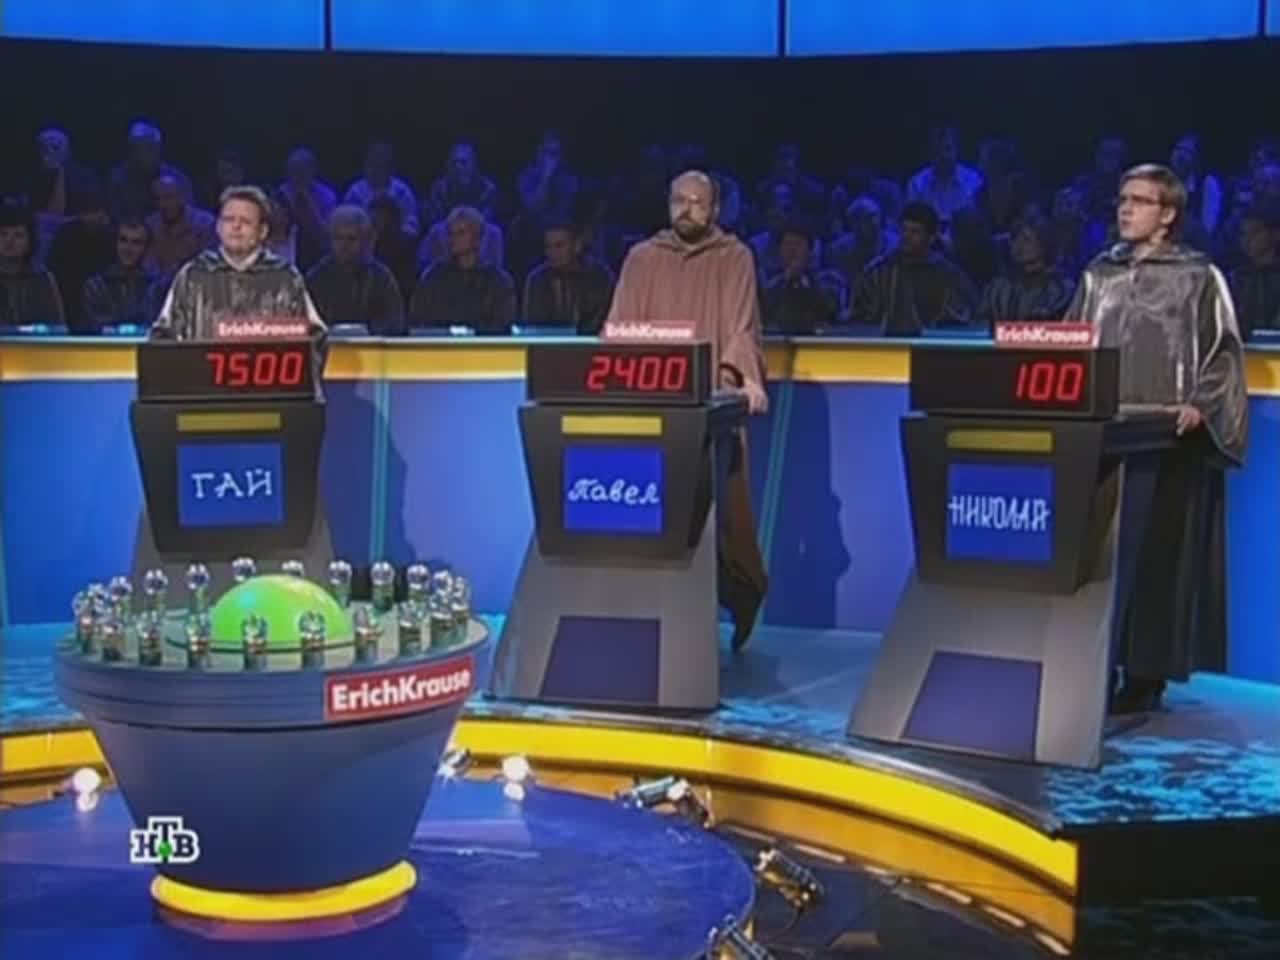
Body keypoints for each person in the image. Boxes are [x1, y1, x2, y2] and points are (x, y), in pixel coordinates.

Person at [1065, 163, 1248, 713]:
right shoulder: (1100, 274)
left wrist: (1201, 405)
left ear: (1167, 215)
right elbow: (1071, 340)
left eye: (1140, 201)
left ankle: (1144, 675)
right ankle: (1092, 667)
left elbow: (1223, 353)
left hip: (1166, 440)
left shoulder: (1197, 276)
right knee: (1098, 554)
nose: (1126, 209)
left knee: (1155, 556)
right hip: (1104, 435)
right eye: (1122, 199)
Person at [604, 169, 768, 651]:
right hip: (651, 408)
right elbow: (618, 328)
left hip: (710, 407)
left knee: (724, 517)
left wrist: (744, 379)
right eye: (679, 200)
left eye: (698, 201)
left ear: (715, 209)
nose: (687, 209)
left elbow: (741, 328)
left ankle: (740, 597)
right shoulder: (642, 258)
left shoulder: (734, 257)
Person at [152, 185, 324, 347]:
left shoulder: (285, 277)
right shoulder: (193, 275)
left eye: (246, 221)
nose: (236, 226)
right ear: (218, 227)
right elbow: (163, 336)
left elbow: (314, 336)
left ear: (262, 231)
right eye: (229, 219)